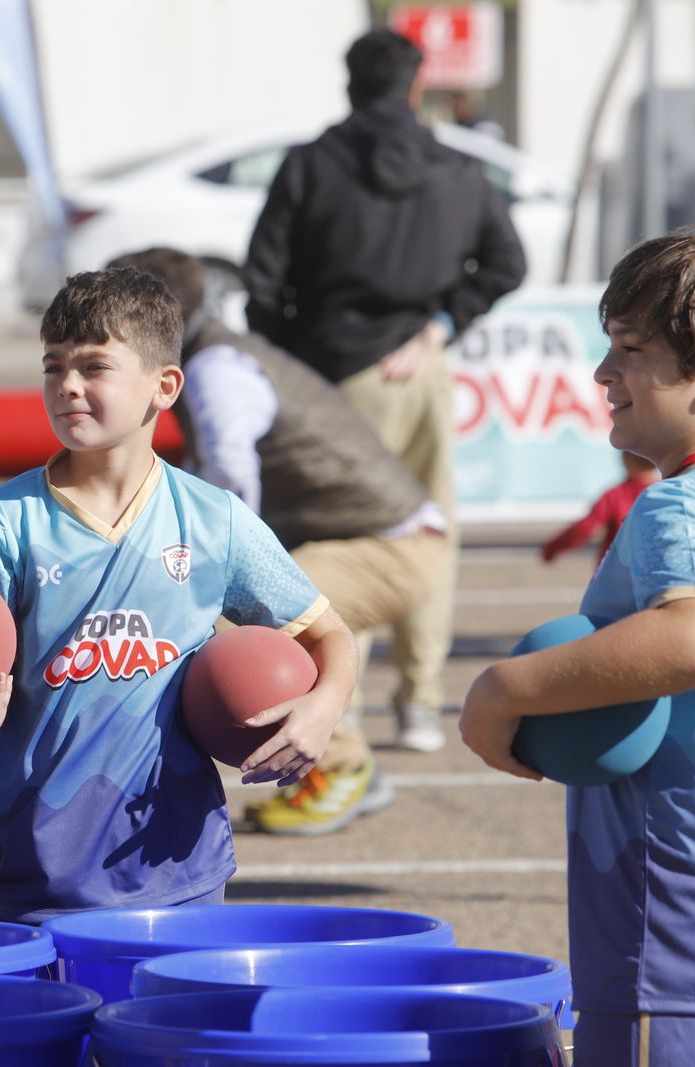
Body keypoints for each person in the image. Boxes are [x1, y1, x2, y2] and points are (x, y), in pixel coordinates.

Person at [460, 226, 695, 1064]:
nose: (602, 373)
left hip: (684, 933)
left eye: (630, 350)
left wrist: (505, 689)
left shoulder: (683, 505)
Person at [0, 267, 357, 925]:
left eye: (94, 366)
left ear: (164, 386)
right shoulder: (5, 520)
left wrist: (323, 708)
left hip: (180, 865)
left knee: (172, 1029)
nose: (68, 385)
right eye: (53, 366)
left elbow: (329, 635)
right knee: (57, 1029)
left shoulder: (212, 518)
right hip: (43, 873)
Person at [243, 29, 526, 754]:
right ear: (414, 86)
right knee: (429, 535)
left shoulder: (307, 166)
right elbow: (506, 261)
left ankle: (340, 710)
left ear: (348, 86)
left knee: (339, 539)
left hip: (332, 381)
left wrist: (298, 362)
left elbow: (262, 284)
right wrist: (439, 324)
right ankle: (420, 703)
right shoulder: (457, 167)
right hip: (422, 370)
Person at [110, 247, 449, 836]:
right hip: (373, 533)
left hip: (393, 544)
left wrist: (207, 569)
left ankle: (344, 766)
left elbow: (231, 472)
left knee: (258, 626)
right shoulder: (220, 353)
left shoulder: (218, 370)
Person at [539, 452, 657, 566]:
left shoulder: (616, 494)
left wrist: (552, 548)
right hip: (655, 571)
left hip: (615, 572)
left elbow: (585, 527)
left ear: (626, 459)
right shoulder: (666, 493)